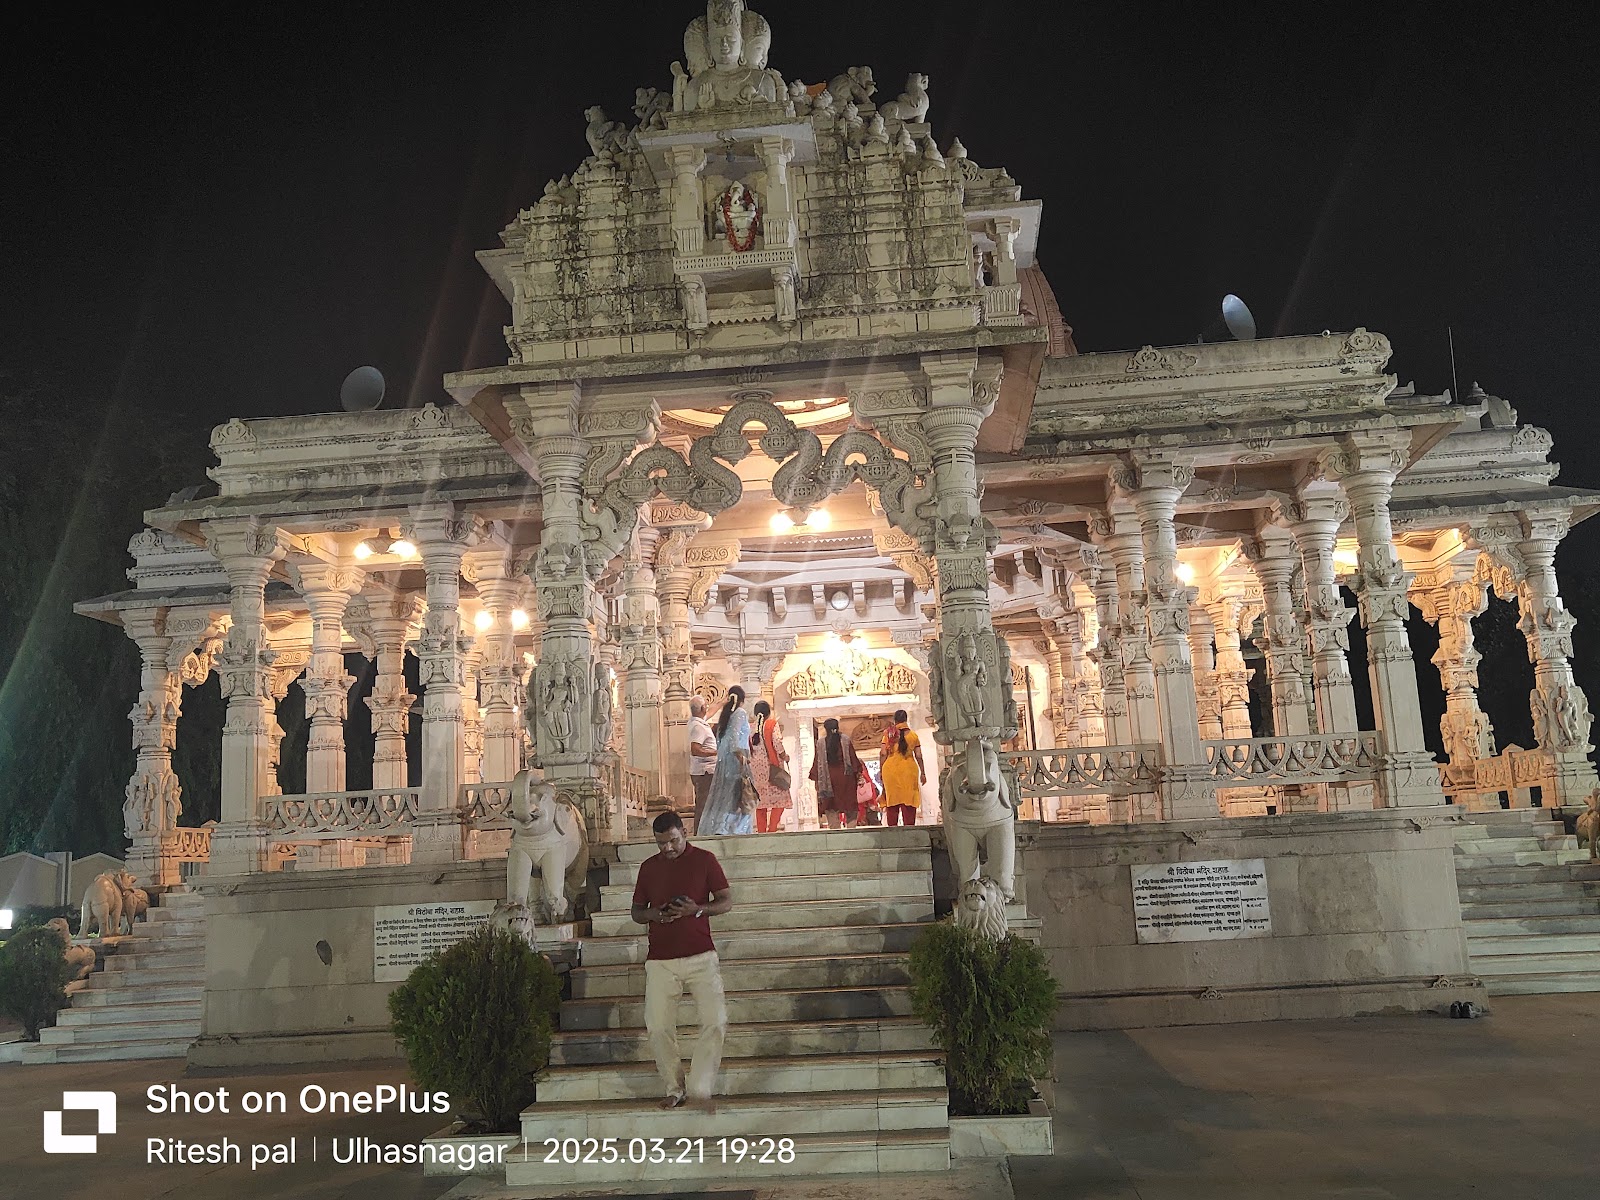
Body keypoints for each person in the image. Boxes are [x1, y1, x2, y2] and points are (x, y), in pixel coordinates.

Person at [629, 811, 733, 1111]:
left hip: (701, 954)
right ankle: (675, 1087)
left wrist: (697, 909)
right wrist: (653, 914)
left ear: (683, 832)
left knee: (715, 1020)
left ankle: (701, 1087)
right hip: (660, 958)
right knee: (658, 1025)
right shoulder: (649, 868)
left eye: (672, 841)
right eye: (661, 843)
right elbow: (637, 911)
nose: (667, 848)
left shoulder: (704, 860)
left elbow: (726, 900)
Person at [696, 687, 754, 836]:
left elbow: (720, 740)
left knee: (726, 795)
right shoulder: (740, 713)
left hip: (725, 760)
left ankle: (721, 827)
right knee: (740, 795)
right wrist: (741, 757)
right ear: (742, 699)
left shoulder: (726, 715)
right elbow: (734, 739)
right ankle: (733, 829)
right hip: (737, 760)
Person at [809, 716, 867, 828]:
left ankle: (835, 833)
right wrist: (859, 775)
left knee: (831, 808)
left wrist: (817, 783)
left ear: (825, 729)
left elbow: (817, 764)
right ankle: (851, 833)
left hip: (828, 781)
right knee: (850, 807)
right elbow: (853, 760)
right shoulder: (845, 740)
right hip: (846, 780)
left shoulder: (821, 744)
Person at [878, 709, 927, 826]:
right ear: (906, 719)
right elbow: (919, 755)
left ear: (895, 720)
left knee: (892, 803)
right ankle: (909, 831)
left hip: (890, 770)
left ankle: (893, 833)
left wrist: (881, 770)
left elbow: (883, 753)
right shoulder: (913, 736)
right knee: (909, 803)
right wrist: (923, 772)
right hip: (909, 770)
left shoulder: (888, 734)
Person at [749, 699, 792, 833]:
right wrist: (785, 756)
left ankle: (762, 832)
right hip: (772, 769)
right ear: (768, 713)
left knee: (760, 804)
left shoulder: (751, 727)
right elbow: (777, 744)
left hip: (756, 771)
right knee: (780, 799)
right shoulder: (772, 724)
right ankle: (772, 829)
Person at [687, 696, 717, 824]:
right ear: (703, 708)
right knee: (703, 806)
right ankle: (699, 834)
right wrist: (716, 752)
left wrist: (723, 702)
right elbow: (695, 750)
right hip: (704, 772)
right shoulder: (698, 727)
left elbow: (710, 713)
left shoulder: (697, 721)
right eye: (706, 706)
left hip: (706, 771)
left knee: (707, 804)